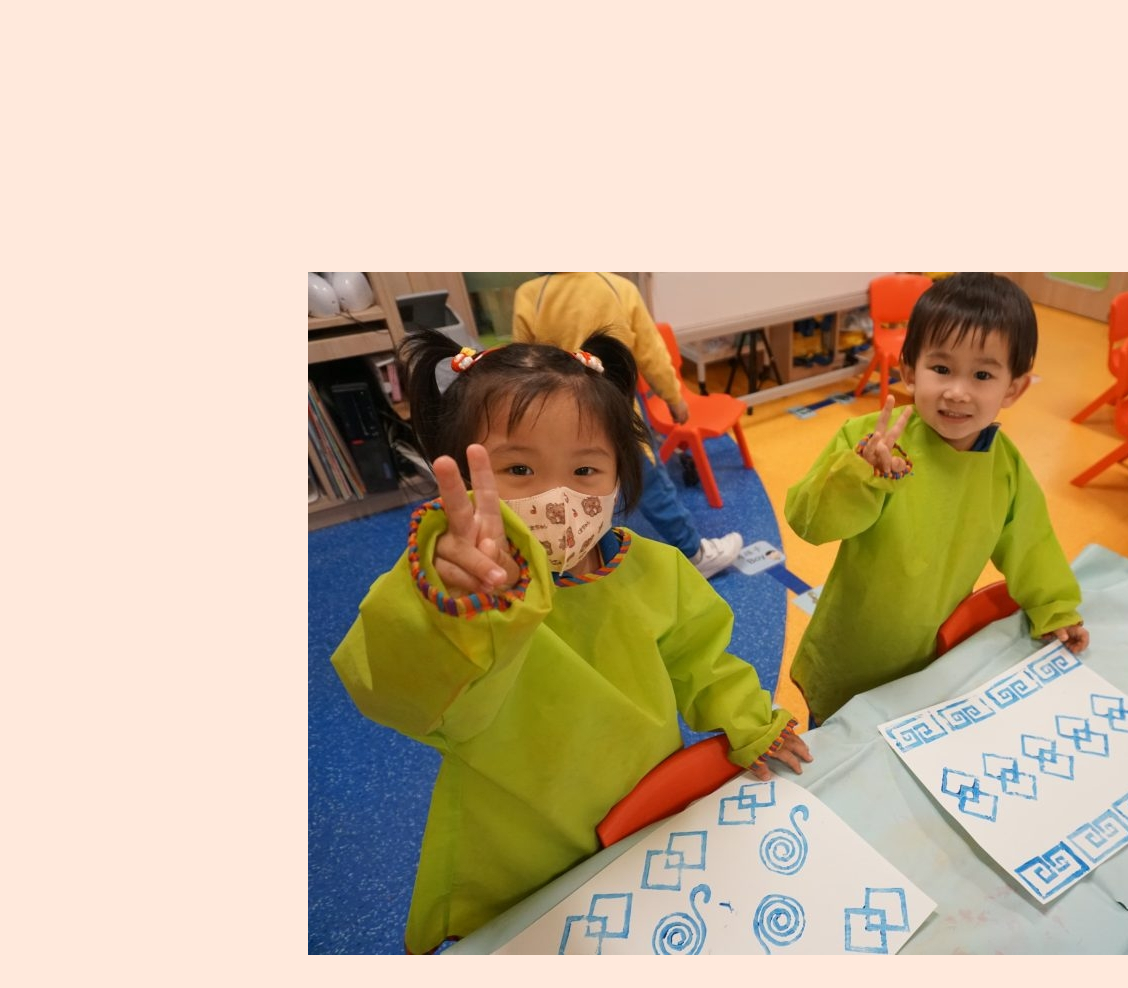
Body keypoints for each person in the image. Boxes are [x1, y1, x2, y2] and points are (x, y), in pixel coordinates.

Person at [332, 329, 811, 953]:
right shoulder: (453, 593)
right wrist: (455, 606)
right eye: (518, 469)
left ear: (620, 474)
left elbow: (703, 663)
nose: (557, 497)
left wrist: (750, 722)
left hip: (643, 800)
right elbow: (395, 690)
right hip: (520, 837)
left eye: (585, 470)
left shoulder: (658, 570)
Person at [784, 272, 1087, 727]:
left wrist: (1055, 608)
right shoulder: (869, 441)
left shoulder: (1004, 466)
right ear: (909, 371)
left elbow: (1032, 544)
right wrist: (861, 473)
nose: (957, 391)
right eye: (941, 369)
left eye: (982, 375)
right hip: (853, 650)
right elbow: (809, 523)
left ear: (1013, 388)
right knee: (835, 745)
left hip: (931, 659)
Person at [512, 272, 743, 578]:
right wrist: (674, 398)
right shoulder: (618, 287)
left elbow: (525, 364)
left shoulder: (530, 294)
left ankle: (575, 562)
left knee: (570, 485)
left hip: (556, 413)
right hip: (616, 406)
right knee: (648, 478)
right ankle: (693, 552)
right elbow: (650, 352)